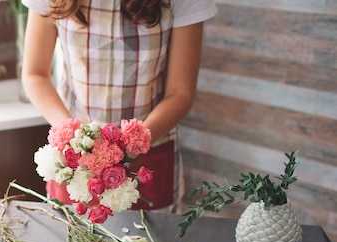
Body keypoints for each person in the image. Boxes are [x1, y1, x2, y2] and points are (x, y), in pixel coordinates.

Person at [21, 0, 217, 211]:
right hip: (74, 159)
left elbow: (180, 93)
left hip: (148, 154)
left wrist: (127, 150)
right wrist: (76, 140)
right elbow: (35, 75)